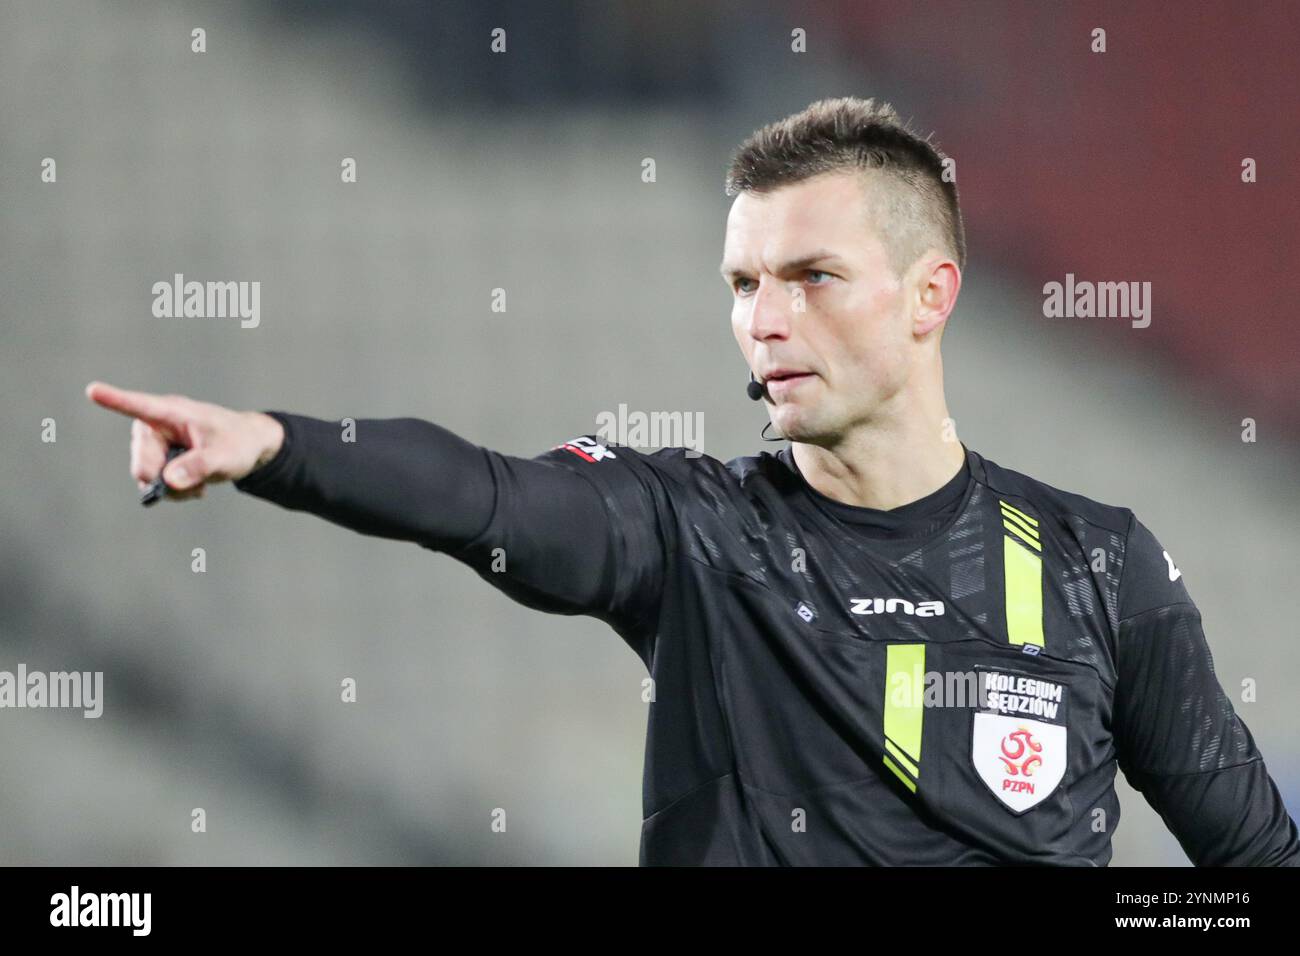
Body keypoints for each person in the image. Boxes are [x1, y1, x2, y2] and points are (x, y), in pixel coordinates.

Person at [86, 97, 1299, 866]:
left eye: (809, 275)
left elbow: (1247, 860)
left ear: (929, 294)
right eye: (740, 283)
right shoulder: (695, 529)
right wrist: (274, 442)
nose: (763, 320)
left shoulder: (1097, 561)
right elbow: (489, 497)